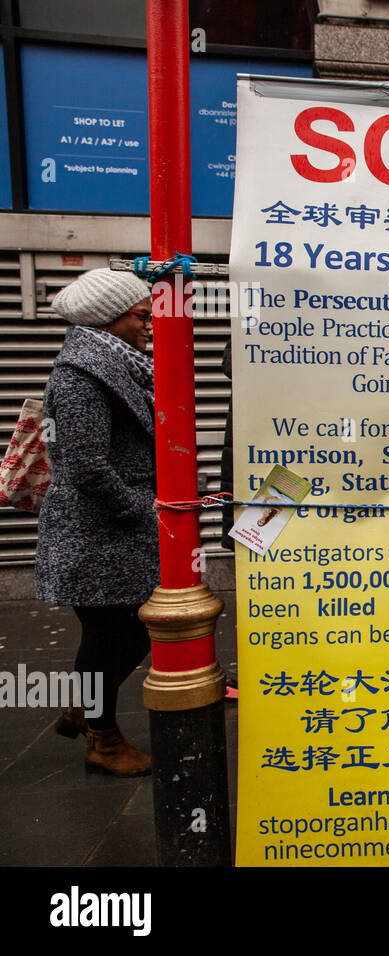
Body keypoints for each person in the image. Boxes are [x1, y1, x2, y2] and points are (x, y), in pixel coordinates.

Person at [38, 268, 159, 777]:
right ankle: (102, 739)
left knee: (116, 633)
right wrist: (140, 508)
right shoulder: (81, 375)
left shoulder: (118, 363)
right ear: (109, 319)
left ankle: (87, 708)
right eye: (141, 316)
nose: (151, 325)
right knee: (121, 634)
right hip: (98, 532)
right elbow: (86, 465)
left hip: (112, 532)